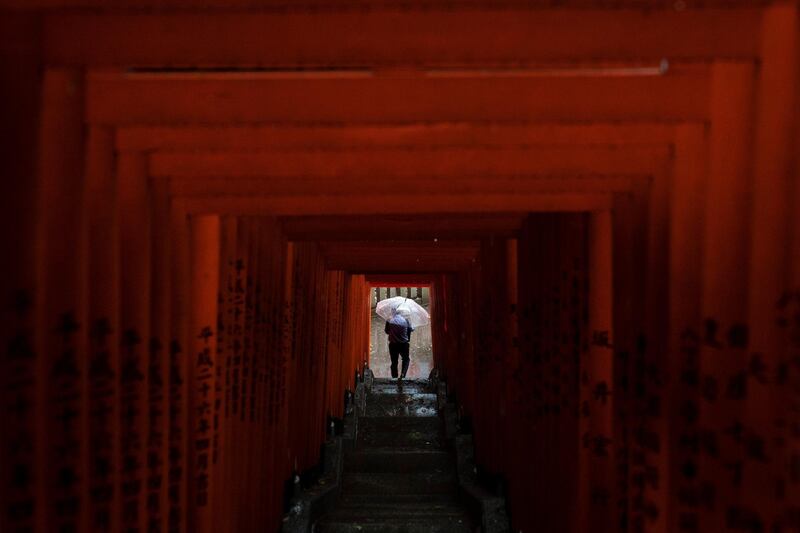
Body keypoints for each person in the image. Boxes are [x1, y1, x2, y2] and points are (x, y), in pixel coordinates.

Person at [384, 310, 414, 380]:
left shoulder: (389, 320)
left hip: (393, 344)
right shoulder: (406, 320)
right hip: (404, 344)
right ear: (401, 312)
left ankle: (394, 377)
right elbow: (411, 329)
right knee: (406, 359)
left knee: (394, 362)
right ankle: (403, 375)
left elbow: (386, 331)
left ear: (393, 312)